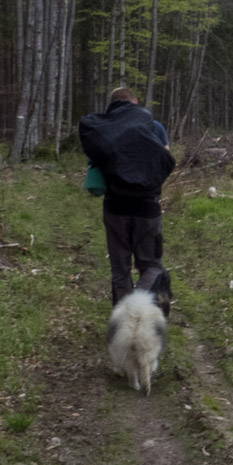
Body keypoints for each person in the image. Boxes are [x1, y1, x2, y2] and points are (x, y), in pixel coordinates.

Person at [78, 87, 175, 314]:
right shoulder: (154, 126)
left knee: (120, 270)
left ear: (113, 104)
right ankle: (142, 305)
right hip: (147, 208)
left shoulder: (105, 129)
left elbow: (96, 163)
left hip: (114, 208)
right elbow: (166, 160)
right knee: (150, 266)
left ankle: (124, 319)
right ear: (135, 101)